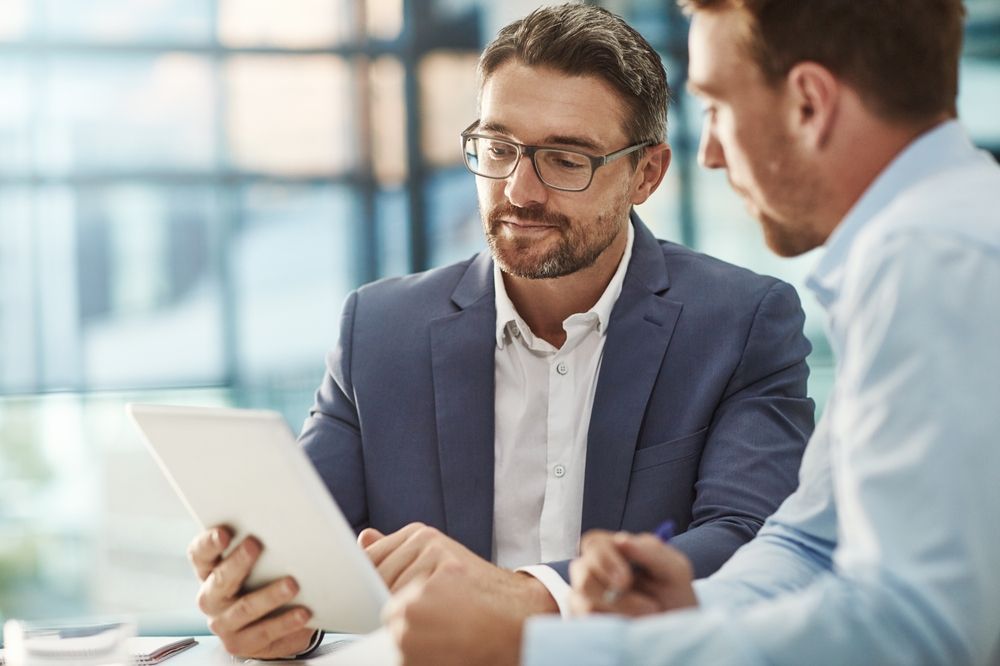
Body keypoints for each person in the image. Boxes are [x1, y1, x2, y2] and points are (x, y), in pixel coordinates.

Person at [185, 3, 817, 660]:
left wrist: (535, 597)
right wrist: (272, 608)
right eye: (499, 148)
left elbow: (751, 542)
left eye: (566, 159)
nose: (518, 190)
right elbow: (312, 552)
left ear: (647, 174)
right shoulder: (378, 332)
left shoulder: (742, 323)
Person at [381, 0, 1000, 664]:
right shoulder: (933, 239)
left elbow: (916, 630)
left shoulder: (934, 258)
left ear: (809, 105)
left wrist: (535, 646)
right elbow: (811, 543)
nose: (708, 152)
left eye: (717, 106)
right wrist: (687, 608)